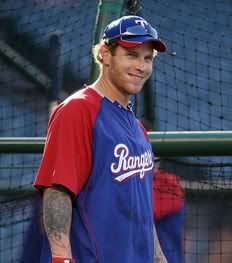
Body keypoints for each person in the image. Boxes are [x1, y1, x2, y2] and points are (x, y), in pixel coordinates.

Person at [34, 15, 167, 263]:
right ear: (106, 54)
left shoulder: (138, 128)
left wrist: (159, 259)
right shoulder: (78, 110)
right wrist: (61, 259)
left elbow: (144, 213)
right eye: (132, 55)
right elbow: (58, 192)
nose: (142, 66)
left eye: (147, 58)